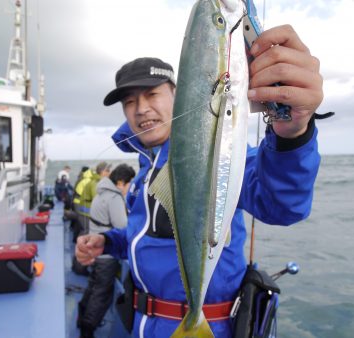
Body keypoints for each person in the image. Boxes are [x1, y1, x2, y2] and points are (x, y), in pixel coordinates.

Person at [76, 25, 324, 338]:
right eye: (129, 101)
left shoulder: (218, 151)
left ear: (177, 95)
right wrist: (109, 242)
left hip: (210, 325)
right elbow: (145, 237)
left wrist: (291, 134)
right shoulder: (143, 166)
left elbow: (281, 205)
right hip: (141, 324)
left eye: (152, 94)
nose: (141, 109)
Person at [78, 164, 136, 338]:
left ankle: (81, 318)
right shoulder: (115, 198)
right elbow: (122, 226)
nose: (129, 189)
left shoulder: (101, 192)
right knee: (103, 292)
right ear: (120, 183)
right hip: (106, 254)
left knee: (93, 286)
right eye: (129, 185)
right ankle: (88, 328)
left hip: (94, 247)